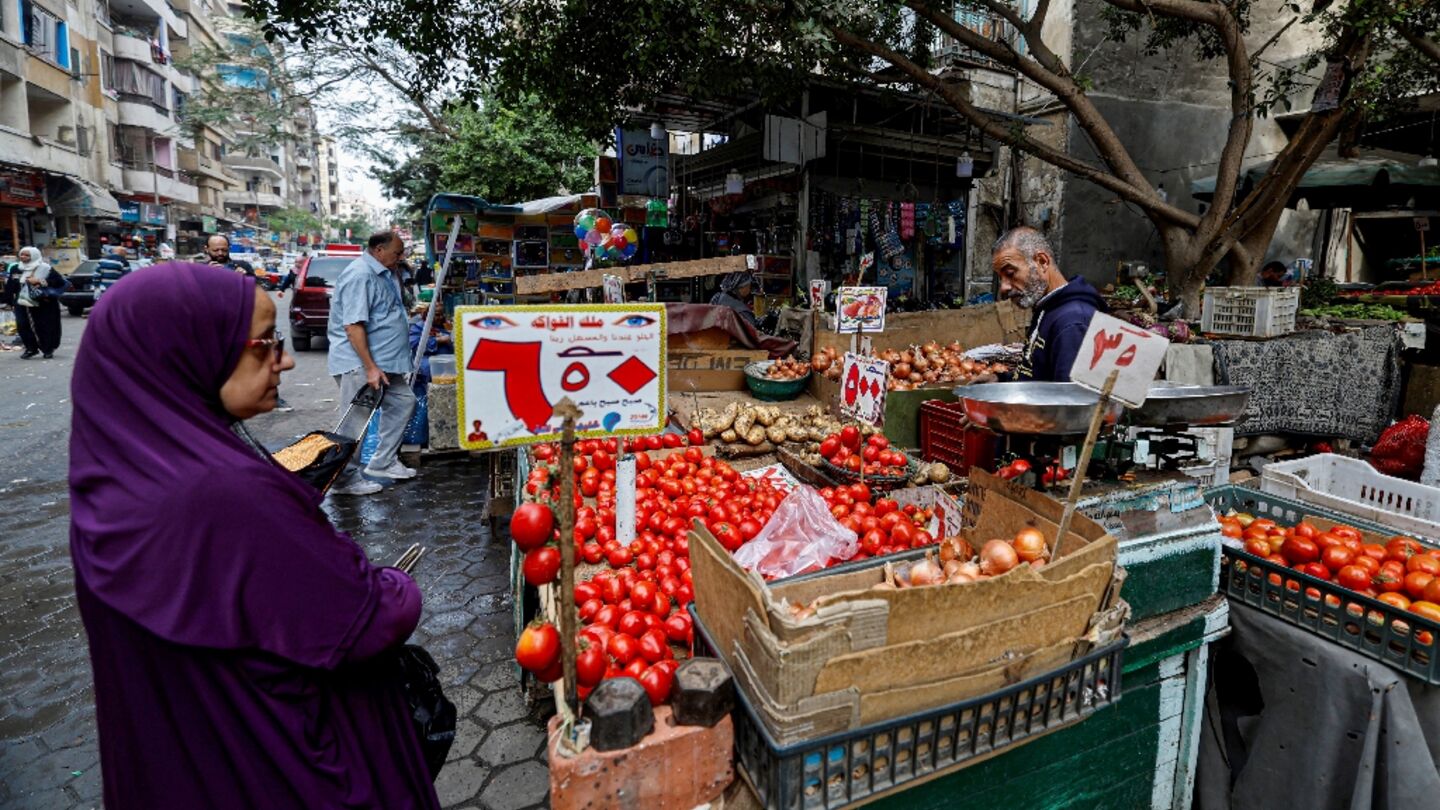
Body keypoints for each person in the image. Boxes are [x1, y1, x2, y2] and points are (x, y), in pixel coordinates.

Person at [68, 263, 438, 809]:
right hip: (283, 768)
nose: (284, 360)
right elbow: (367, 619)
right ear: (186, 349)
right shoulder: (224, 495)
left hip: (186, 768)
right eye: (264, 343)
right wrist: (394, 585)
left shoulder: (113, 478)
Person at [327, 231, 417, 495]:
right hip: (361, 364)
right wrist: (369, 367)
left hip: (384, 361)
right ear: (378, 250)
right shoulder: (361, 275)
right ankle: (344, 479)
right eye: (396, 253)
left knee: (404, 402)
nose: (400, 258)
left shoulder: (384, 273)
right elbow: (353, 326)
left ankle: (383, 462)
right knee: (355, 421)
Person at [992, 226, 1104, 382]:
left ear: (1042, 262)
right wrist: (1000, 380)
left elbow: (1069, 401)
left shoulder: (1073, 321)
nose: (1004, 287)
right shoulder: (1048, 308)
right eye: (1001, 278)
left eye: (1010, 274)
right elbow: (1039, 375)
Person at [14, 247, 66, 359]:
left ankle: (48, 349)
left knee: (44, 326)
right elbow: (11, 285)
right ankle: (31, 348)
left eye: (27, 255)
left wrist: (40, 281)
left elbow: (59, 282)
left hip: (43, 303)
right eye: (22, 254)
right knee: (23, 325)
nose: (23, 257)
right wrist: (6, 301)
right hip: (22, 303)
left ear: (34, 256)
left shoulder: (45, 268)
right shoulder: (17, 268)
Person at [407, 304, 453, 397]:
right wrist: (437, 340)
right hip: (426, 370)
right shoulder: (418, 327)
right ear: (428, 315)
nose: (440, 317)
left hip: (446, 370)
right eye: (436, 315)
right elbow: (415, 344)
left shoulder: (445, 326)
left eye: (441, 315)